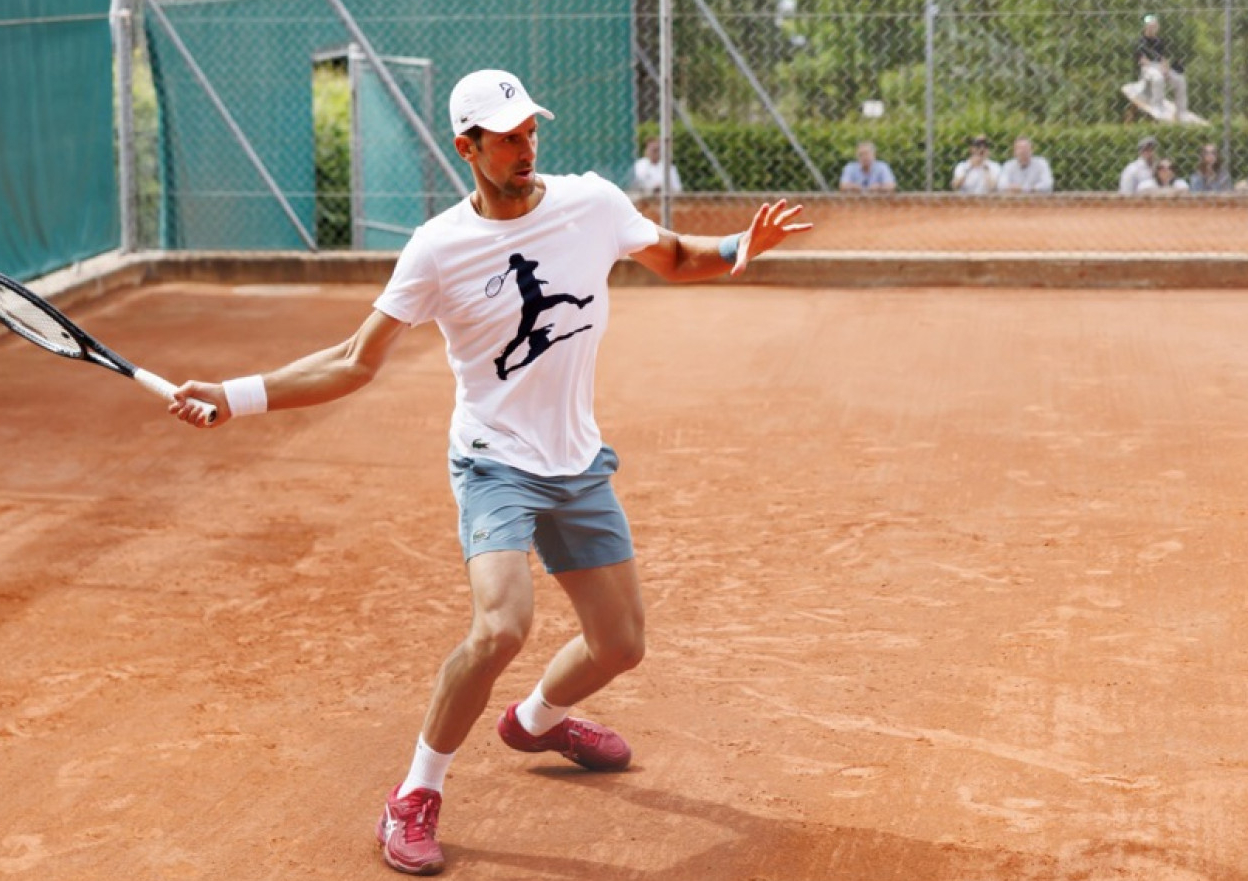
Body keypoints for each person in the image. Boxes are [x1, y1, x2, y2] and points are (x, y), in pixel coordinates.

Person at [167, 68, 812, 877]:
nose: (525, 147)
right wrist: (235, 396)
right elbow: (352, 360)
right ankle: (413, 794)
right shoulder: (439, 247)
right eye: (506, 137)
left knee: (621, 645)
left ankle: (538, 719)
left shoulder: (591, 203)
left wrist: (743, 246)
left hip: (576, 460)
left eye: (530, 130)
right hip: (493, 461)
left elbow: (677, 257)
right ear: (466, 146)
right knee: (502, 625)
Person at [1133, 14, 1189, 122]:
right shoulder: (1140, 42)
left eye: (1155, 26)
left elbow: (1163, 58)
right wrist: (1157, 68)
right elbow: (1142, 60)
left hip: (1159, 66)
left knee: (1180, 80)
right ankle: (1157, 107)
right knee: (1158, 78)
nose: (1153, 28)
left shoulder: (1160, 41)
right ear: (1146, 27)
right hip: (1148, 68)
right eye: (1150, 26)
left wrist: (1166, 69)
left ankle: (1181, 111)